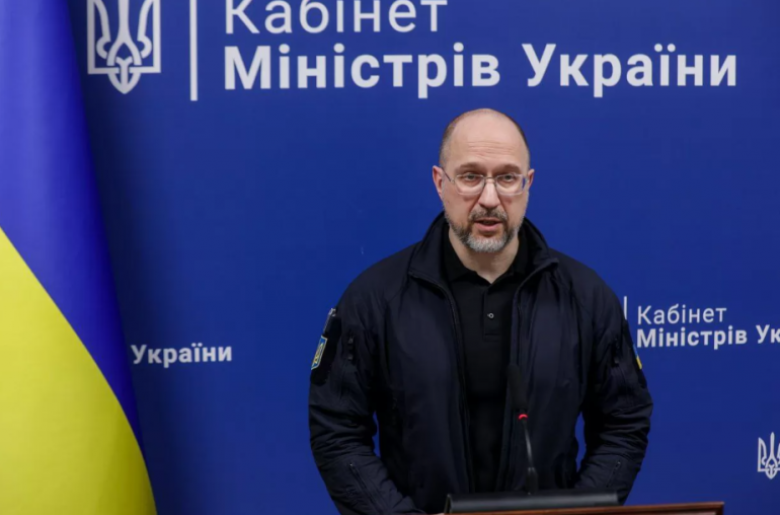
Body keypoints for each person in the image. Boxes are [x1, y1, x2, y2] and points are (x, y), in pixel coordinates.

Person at [308, 108, 652, 515]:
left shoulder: (585, 297)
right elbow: (337, 429)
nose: (489, 199)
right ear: (440, 182)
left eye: (507, 178)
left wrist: (578, 514)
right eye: (471, 177)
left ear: (528, 184)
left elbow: (624, 422)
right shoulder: (375, 298)